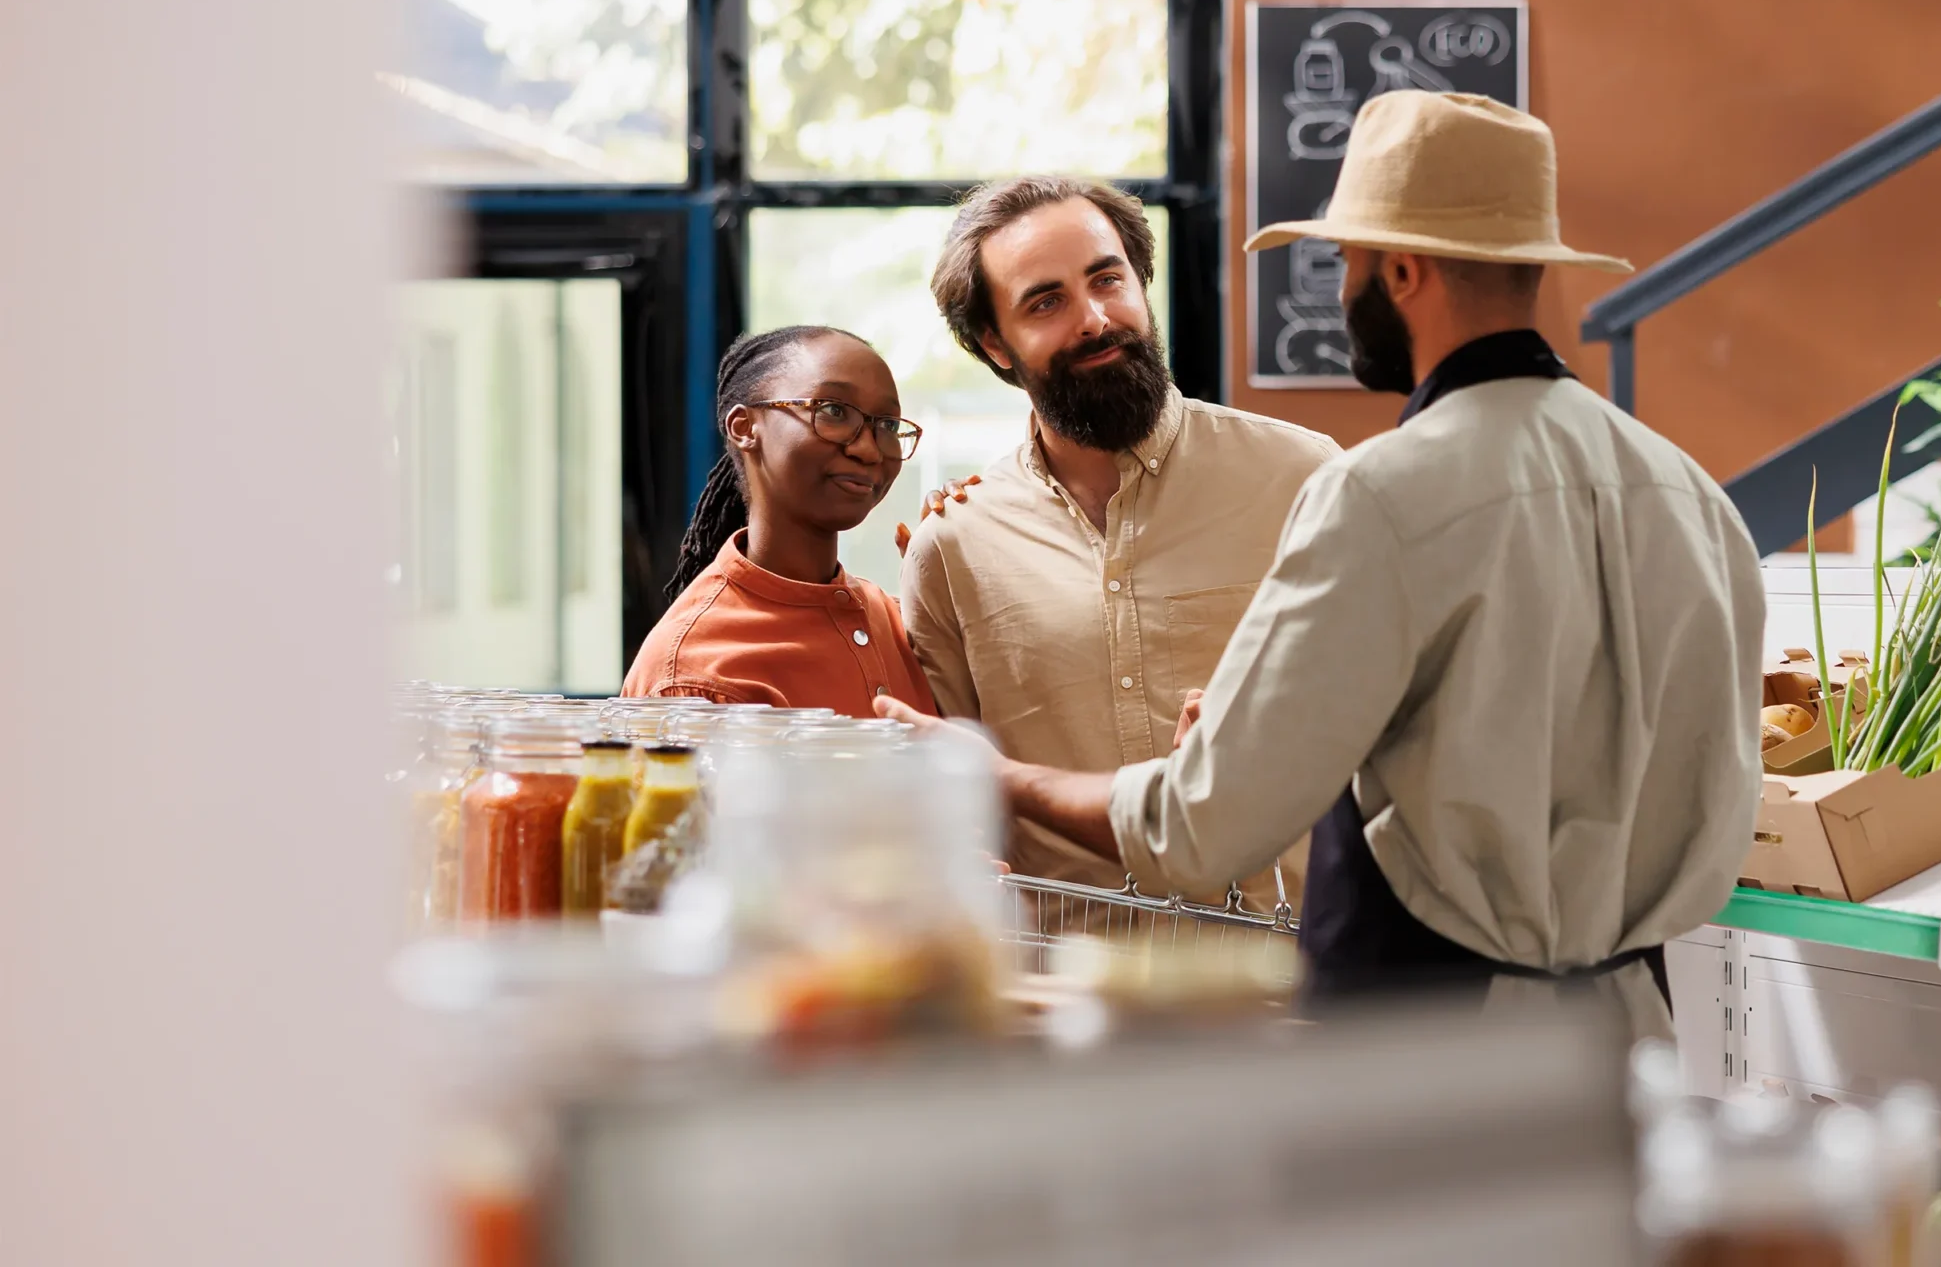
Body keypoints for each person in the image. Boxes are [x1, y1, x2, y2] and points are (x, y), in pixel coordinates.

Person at [879, 92, 1766, 1038]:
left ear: (1401, 271)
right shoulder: (1693, 497)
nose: (1340, 290)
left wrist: (997, 773)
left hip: (1425, 1031)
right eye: (1046, 299)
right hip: (1633, 1025)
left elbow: (1202, 823)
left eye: (1346, 262)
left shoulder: (1370, 492)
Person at [896, 176, 1339, 909]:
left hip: (1281, 966)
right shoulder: (954, 546)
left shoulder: (1305, 478)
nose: (1095, 320)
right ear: (994, 345)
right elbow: (955, 795)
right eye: (1046, 302)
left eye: (1108, 280)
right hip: (1060, 972)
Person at [624, 325, 938, 716]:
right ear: (744, 428)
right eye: (833, 410)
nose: (869, 450)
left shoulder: (900, 622)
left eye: (888, 425)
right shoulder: (693, 676)